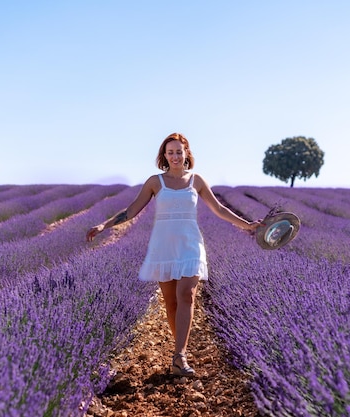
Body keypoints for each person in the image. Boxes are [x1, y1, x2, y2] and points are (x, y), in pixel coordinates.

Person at [86, 133, 261, 376]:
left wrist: (248, 225)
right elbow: (131, 211)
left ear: (186, 153)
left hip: (190, 245)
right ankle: (178, 351)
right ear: (164, 155)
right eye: (170, 152)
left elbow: (219, 209)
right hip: (164, 246)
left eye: (179, 151)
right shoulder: (155, 182)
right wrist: (104, 225)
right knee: (171, 302)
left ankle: (180, 356)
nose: (175, 156)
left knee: (186, 295)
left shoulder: (196, 180)